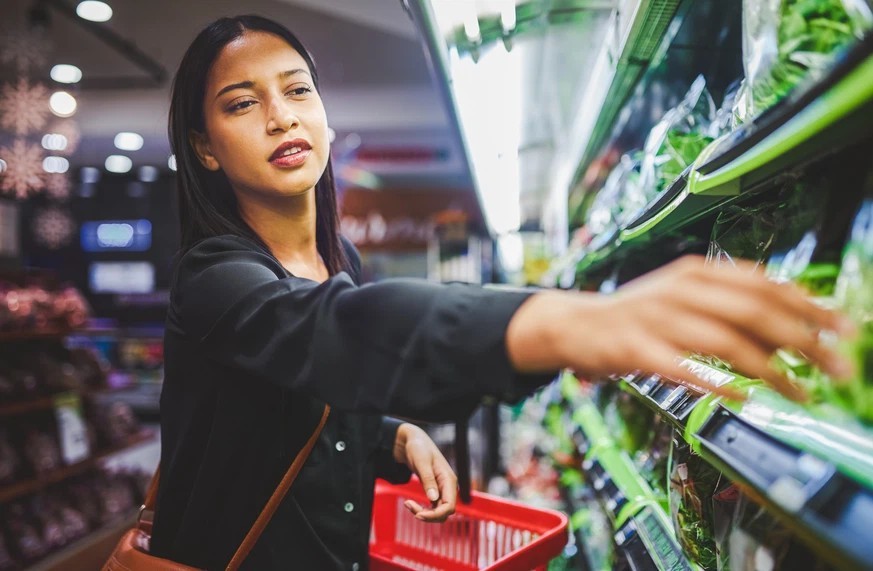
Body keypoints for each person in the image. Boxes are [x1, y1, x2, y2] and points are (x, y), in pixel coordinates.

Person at [150, 14, 855, 571]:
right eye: (242, 104)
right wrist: (562, 322)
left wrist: (390, 436)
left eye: (297, 89)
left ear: (325, 115)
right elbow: (329, 333)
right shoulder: (212, 278)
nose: (280, 116)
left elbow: (295, 398)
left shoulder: (341, 259)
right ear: (205, 146)